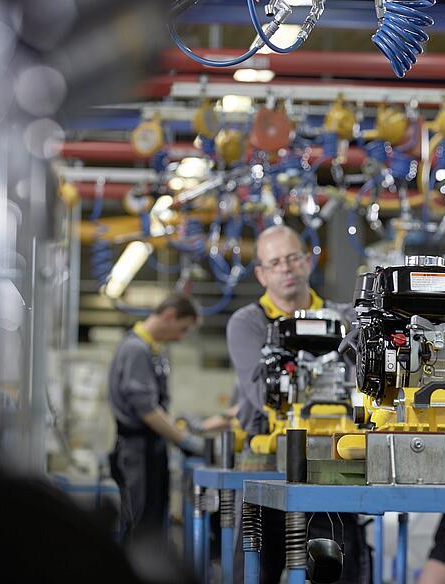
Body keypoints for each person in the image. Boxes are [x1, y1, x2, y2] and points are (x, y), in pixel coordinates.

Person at [227, 224, 369, 584]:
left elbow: (368, 386)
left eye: (292, 258)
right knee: (256, 571)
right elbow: (262, 396)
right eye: (275, 263)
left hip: (333, 469)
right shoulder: (248, 323)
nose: (286, 268)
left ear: (307, 261)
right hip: (266, 469)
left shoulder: (343, 321)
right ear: (261, 274)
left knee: (339, 570)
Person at [108, 293, 206, 543]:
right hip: (136, 450)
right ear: (169, 315)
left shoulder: (154, 350)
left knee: (152, 522)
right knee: (140, 524)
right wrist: (186, 440)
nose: (181, 337)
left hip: (151, 449)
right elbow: (148, 411)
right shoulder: (135, 349)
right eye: (182, 329)